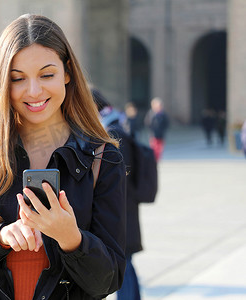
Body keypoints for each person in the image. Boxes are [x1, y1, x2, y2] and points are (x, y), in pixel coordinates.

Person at [0, 14, 127, 300]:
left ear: (67, 73)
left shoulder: (101, 157)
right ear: (2, 83)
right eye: (17, 78)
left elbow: (110, 280)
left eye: (47, 75)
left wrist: (71, 238)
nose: (33, 91)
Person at [93, 91, 142, 300]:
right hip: (123, 206)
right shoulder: (115, 125)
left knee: (124, 262)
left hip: (122, 207)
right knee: (127, 262)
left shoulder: (113, 132)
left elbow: (121, 174)